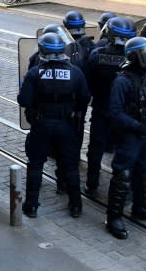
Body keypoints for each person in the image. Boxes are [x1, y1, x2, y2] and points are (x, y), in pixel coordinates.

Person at [18, 32, 90, 218]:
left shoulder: (35, 73)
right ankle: (76, 206)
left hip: (41, 125)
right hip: (67, 125)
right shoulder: (75, 72)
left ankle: (31, 205)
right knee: (70, 166)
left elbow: (24, 100)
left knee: (35, 165)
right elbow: (85, 98)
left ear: (42, 50)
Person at [106, 37, 146, 240]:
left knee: (143, 171)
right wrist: (137, 126)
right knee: (122, 175)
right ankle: (114, 217)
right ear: (133, 58)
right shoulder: (122, 81)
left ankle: (140, 207)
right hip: (129, 136)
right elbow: (114, 113)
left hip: (144, 134)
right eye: (144, 56)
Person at [84, 17, 135, 197]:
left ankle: (92, 185)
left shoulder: (97, 55)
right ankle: (122, 190)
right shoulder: (135, 58)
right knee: (124, 151)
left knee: (96, 150)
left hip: (102, 110)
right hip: (126, 115)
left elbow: (87, 84)